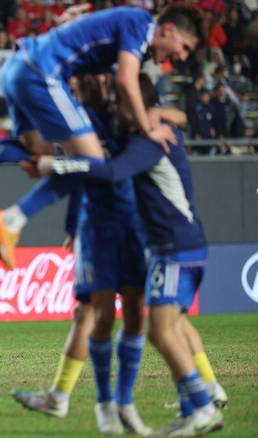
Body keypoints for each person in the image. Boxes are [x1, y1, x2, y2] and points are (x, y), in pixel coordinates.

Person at [0, 4, 203, 268]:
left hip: (17, 65)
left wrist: (163, 115)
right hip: (42, 74)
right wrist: (149, 128)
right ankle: (12, 220)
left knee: (37, 150)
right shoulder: (140, 25)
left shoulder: (121, 35)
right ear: (169, 30)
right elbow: (126, 79)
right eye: (185, 47)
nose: (182, 57)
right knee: (92, 161)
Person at [36, 74, 224, 436]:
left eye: (121, 102)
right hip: (176, 246)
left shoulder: (147, 142)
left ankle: (203, 404)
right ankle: (198, 403)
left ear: (138, 104)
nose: (116, 110)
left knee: (161, 332)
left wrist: (54, 165)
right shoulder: (150, 130)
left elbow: (113, 171)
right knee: (174, 328)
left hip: (174, 247)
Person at [11, 76, 150, 435]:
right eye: (81, 80)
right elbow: (77, 179)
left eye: (93, 78)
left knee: (152, 317)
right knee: (92, 312)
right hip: (96, 229)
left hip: (137, 226)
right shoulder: (77, 121)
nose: (86, 84)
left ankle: (203, 392)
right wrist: (74, 225)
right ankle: (93, 402)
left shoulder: (123, 115)